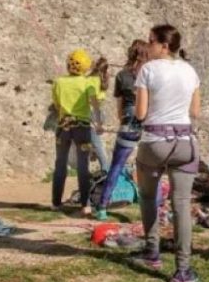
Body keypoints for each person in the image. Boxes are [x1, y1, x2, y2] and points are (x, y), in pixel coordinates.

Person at [131, 25, 202, 282]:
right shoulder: (190, 71)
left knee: (149, 198)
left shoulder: (147, 70)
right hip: (184, 142)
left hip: (154, 142)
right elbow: (195, 111)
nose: (147, 47)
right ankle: (183, 270)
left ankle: (152, 252)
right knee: (181, 204)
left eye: (150, 42)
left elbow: (140, 113)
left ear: (163, 45)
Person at [95, 40, 159, 221]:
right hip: (149, 120)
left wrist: (123, 120)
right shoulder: (151, 73)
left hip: (129, 120)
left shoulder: (122, 75)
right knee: (153, 167)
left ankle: (102, 206)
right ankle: (156, 204)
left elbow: (120, 106)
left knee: (117, 164)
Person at [51, 49, 102, 216]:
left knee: (60, 164)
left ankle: (56, 203)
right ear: (86, 67)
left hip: (64, 127)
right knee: (83, 166)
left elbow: (57, 105)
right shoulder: (89, 83)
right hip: (82, 128)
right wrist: (99, 123)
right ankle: (85, 204)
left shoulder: (58, 82)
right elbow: (95, 104)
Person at [89, 57, 112, 172]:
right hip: (99, 113)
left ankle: (105, 168)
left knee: (96, 143)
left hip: (92, 113)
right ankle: (92, 151)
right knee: (92, 140)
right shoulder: (101, 80)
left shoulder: (91, 80)